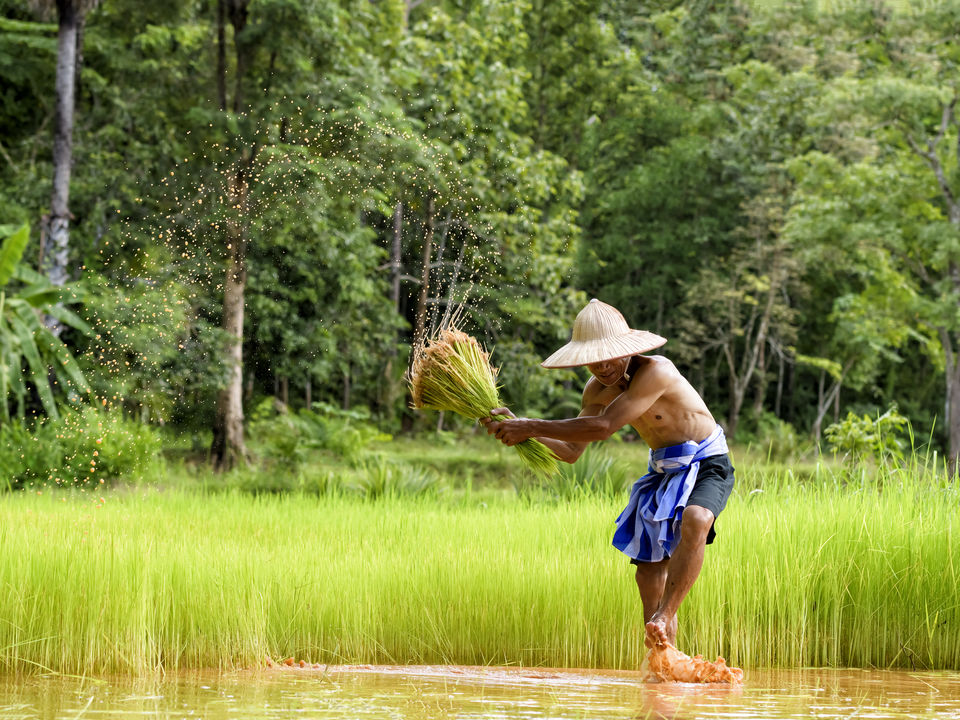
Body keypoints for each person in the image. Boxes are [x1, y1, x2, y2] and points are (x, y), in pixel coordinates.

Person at [481, 299, 735, 650]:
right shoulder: (596, 390)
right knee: (648, 574)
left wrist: (529, 425)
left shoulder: (657, 371)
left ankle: (665, 615)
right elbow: (572, 452)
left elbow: (603, 427)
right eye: (593, 359)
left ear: (626, 351)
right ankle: (662, 664)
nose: (602, 366)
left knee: (697, 517)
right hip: (663, 471)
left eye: (609, 356)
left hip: (707, 462)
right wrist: (523, 430)